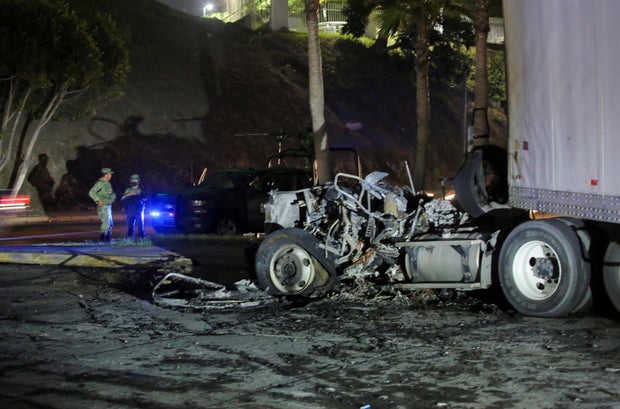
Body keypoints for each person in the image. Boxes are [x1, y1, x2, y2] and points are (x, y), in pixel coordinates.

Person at [88, 168, 116, 242]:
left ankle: (107, 239)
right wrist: (98, 200)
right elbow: (91, 192)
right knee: (106, 223)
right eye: (110, 174)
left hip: (108, 205)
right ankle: (102, 239)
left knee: (110, 223)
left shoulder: (107, 183)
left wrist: (112, 197)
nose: (111, 175)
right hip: (103, 206)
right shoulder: (100, 183)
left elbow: (110, 194)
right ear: (106, 175)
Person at [121, 174, 146, 239]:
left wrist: (137, 195)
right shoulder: (128, 190)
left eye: (135, 180)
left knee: (140, 226)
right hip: (129, 210)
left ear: (138, 181)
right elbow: (122, 199)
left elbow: (145, 197)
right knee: (130, 226)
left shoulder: (141, 189)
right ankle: (130, 238)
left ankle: (142, 238)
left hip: (138, 210)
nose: (133, 181)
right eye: (132, 180)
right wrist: (128, 195)